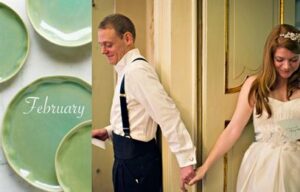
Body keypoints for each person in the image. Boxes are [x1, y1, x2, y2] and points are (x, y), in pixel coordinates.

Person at [188, 23, 300, 191]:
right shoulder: (255, 85)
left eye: (293, 60)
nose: (286, 66)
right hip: (262, 166)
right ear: (270, 58)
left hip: (295, 165)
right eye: (280, 59)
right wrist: (205, 167)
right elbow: (233, 129)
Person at [92, 13, 196, 192]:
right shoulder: (126, 70)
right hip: (126, 163)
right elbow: (135, 113)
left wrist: (186, 160)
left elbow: (167, 114)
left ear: (127, 38)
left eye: (108, 44)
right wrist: (109, 132)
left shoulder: (137, 72)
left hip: (137, 167)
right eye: (101, 45)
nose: (103, 51)